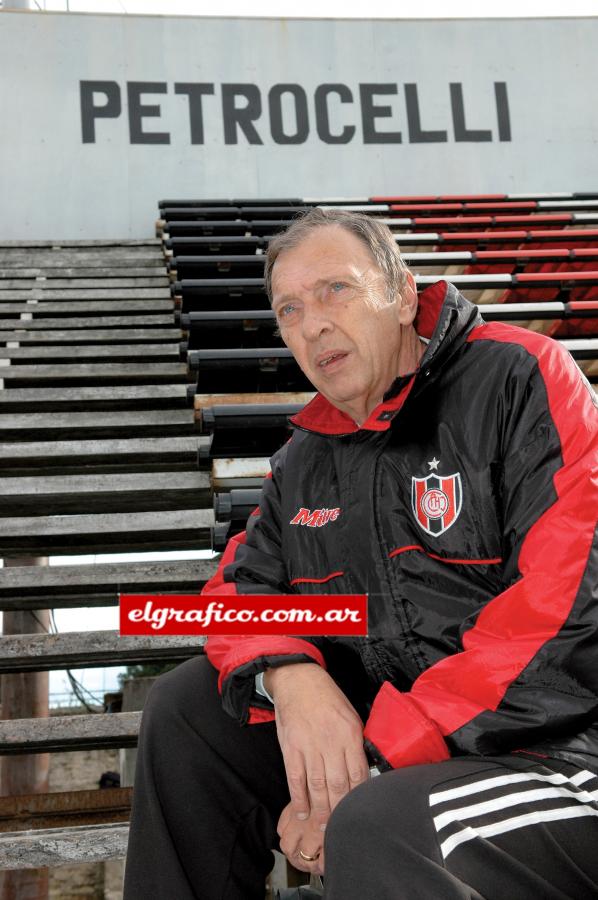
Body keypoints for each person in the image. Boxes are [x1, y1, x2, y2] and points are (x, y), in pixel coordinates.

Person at [124, 209, 598, 899]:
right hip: (417, 753)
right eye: (289, 308)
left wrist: (373, 762)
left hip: (561, 752)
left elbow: (564, 613)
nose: (312, 324)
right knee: (187, 710)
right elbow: (234, 592)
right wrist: (290, 675)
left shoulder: (520, 377)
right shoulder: (303, 461)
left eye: (334, 291)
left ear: (403, 294)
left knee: (378, 822)